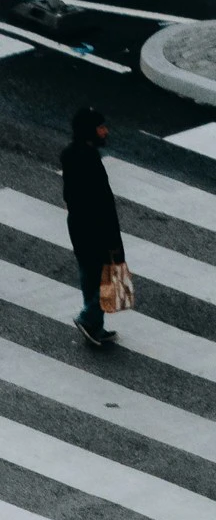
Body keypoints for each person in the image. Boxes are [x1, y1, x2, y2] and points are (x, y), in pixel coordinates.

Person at [61, 105, 123, 352]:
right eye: (100, 128)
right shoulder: (87, 160)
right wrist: (109, 237)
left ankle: (95, 324)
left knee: (90, 275)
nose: (105, 131)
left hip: (79, 228)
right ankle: (88, 318)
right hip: (95, 230)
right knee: (104, 276)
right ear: (89, 131)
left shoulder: (73, 154)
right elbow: (97, 202)